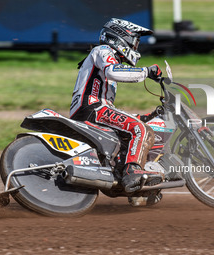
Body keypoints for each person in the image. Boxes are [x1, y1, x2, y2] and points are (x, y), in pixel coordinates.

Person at [69, 18, 162, 193]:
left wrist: (141, 117)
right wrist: (146, 71)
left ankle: (131, 185)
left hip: (92, 109)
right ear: (120, 38)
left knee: (134, 129)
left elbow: (111, 107)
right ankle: (132, 172)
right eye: (134, 42)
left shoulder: (105, 56)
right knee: (142, 130)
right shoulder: (103, 50)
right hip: (92, 108)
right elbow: (113, 72)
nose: (135, 48)